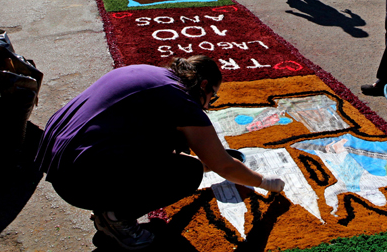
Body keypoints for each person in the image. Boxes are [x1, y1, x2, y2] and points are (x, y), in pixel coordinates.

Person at [35, 56, 285, 250]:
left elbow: (145, 142)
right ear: (204, 85)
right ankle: (117, 216)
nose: (209, 105)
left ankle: (109, 207)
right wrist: (264, 182)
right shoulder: (182, 100)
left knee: (175, 156)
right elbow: (225, 166)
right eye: (212, 98)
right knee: (188, 172)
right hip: (78, 179)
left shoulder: (150, 74)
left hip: (58, 159)